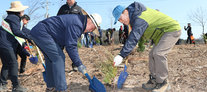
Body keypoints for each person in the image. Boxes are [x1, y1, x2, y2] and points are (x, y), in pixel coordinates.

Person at [112, 2, 181, 92]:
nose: (121, 22)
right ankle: (154, 80)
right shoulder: (134, 18)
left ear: (125, 12)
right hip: (161, 35)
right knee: (152, 54)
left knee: (158, 53)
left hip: (171, 30)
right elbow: (136, 36)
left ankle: (163, 82)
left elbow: (134, 38)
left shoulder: (139, 18)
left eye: (121, 18)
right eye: (119, 21)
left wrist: (121, 55)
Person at [30, 12, 102, 91]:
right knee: (59, 58)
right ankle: (62, 89)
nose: (91, 31)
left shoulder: (78, 22)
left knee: (51, 59)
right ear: (90, 21)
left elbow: (62, 40)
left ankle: (51, 87)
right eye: (93, 28)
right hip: (43, 33)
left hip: (40, 32)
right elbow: (71, 46)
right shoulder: (77, 24)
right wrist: (78, 64)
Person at [0, 1, 30, 91]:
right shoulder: (14, 18)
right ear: (19, 11)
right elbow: (16, 32)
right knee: (13, 64)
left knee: (6, 64)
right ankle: (16, 86)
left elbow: (24, 30)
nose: (23, 12)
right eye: (22, 11)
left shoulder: (11, 18)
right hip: (7, 44)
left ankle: (2, 84)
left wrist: (32, 35)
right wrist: (29, 37)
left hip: (3, 44)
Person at [57, 0, 83, 72]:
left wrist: (81, 32)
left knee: (73, 49)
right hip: (63, 32)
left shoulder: (78, 9)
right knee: (59, 49)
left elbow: (82, 21)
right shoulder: (63, 8)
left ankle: (75, 65)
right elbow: (57, 19)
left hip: (73, 33)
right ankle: (59, 66)